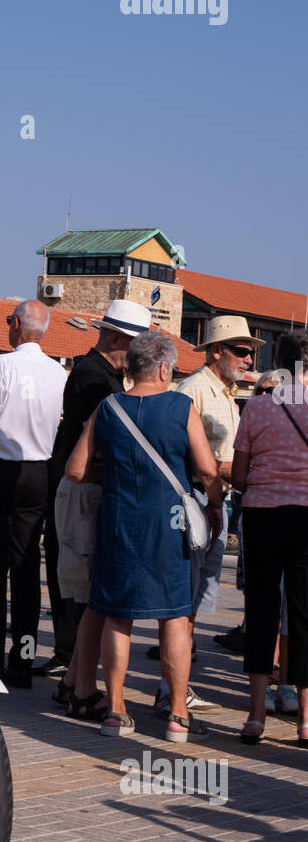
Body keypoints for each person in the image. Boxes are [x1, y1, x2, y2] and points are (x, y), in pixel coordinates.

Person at [65, 331, 222, 741]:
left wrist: (115, 474)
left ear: (131, 367)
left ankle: (116, 712)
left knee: (118, 614)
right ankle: (176, 716)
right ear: (166, 368)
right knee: (173, 617)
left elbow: (76, 470)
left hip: (119, 522)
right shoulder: (180, 406)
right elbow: (206, 470)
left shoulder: (108, 407)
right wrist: (216, 504)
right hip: (169, 524)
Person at [151, 315, 263, 720]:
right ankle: (170, 691)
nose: (249, 358)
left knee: (194, 601)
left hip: (216, 502)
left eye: (251, 352)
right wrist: (243, 474)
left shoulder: (223, 393)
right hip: (199, 503)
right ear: (216, 351)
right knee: (183, 601)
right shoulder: (195, 390)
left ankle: (177, 686)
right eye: (241, 350)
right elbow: (190, 455)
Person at [0, 299, 66, 684]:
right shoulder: (58, 372)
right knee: (25, 570)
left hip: (0, 469)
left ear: (18, 324)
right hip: (39, 469)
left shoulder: (1, 364)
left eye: (9, 321)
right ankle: (22, 659)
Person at [40, 300, 137, 682]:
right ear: (113, 337)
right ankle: (69, 655)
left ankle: (74, 655)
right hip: (80, 486)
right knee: (76, 574)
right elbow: (94, 439)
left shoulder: (107, 375)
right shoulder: (92, 376)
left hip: (86, 484)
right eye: (132, 343)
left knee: (82, 574)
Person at [231, 331, 308, 744]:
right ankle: (305, 720)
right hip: (306, 516)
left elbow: (240, 477)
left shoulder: (257, 407)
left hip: (262, 515)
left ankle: (255, 715)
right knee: (303, 613)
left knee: (261, 612)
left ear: (278, 363)